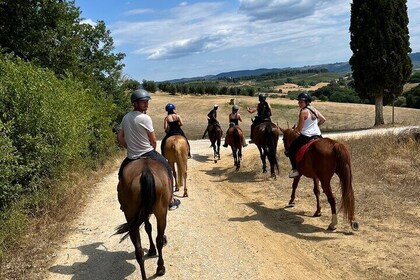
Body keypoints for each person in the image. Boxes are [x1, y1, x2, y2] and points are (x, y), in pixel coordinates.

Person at [117, 88, 181, 210]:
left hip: (131, 156)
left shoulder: (125, 117)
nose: (146, 104)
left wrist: (129, 147)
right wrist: (153, 149)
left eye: (147, 101)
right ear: (135, 103)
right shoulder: (145, 118)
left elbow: (120, 137)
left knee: (121, 174)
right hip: (148, 152)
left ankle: (123, 202)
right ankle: (171, 200)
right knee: (168, 168)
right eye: (143, 102)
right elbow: (153, 139)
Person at [288, 92, 326, 178]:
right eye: (299, 101)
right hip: (318, 135)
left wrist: (294, 131)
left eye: (301, 102)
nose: (299, 103)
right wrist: (316, 126)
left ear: (307, 102)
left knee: (291, 150)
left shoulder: (303, 112)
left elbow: (299, 128)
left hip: (306, 136)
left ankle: (295, 170)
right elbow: (323, 119)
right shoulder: (314, 109)